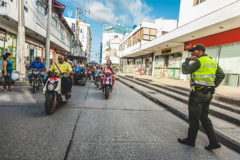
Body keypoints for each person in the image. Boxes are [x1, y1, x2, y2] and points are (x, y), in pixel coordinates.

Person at [178, 44, 225, 150]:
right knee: (204, 117)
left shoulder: (199, 62)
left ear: (199, 52)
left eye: (193, 51)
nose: (191, 53)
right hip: (208, 94)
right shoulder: (213, 62)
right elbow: (221, 75)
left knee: (194, 118)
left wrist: (187, 60)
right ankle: (214, 142)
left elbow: (185, 70)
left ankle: (190, 141)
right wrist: (212, 86)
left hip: (197, 95)